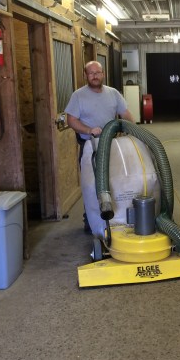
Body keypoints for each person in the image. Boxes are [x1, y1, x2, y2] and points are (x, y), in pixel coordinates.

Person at [65, 60, 134, 234]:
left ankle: (116, 216)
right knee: (92, 183)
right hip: (90, 146)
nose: (95, 76)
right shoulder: (78, 96)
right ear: (86, 75)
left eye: (98, 72)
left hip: (112, 143)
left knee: (115, 178)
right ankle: (90, 218)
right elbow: (71, 120)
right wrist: (89, 130)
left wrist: (133, 131)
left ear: (103, 74)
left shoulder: (113, 93)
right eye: (91, 73)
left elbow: (125, 114)